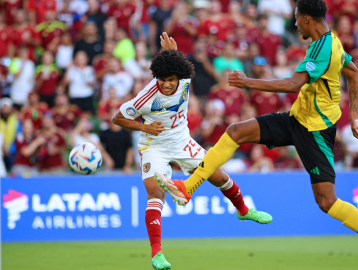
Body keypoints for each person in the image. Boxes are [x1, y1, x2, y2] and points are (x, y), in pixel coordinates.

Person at [155, 1, 358, 270]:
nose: (295, 24)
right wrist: (354, 114)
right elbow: (353, 75)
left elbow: (292, 84)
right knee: (236, 131)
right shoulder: (331, 42)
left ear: (308, 19)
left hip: (316, 131)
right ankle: (188, 187)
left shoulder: (325, 47)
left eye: (297, 19)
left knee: (326, 202)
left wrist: (248, 82)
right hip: (297, 119)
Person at [112, 33, 272, 270]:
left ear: (179, 77)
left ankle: (244, 211)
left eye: (171, 79)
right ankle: (157, 253)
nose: (166, 84)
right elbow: (118, 117)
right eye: (162, 79)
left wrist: (172, 53)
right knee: (155, 194)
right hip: (153, 146)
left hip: (182, 141)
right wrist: (144, 126)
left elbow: (178, 63)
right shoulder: (147, 95)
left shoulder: (185, 79)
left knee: (220, 177)